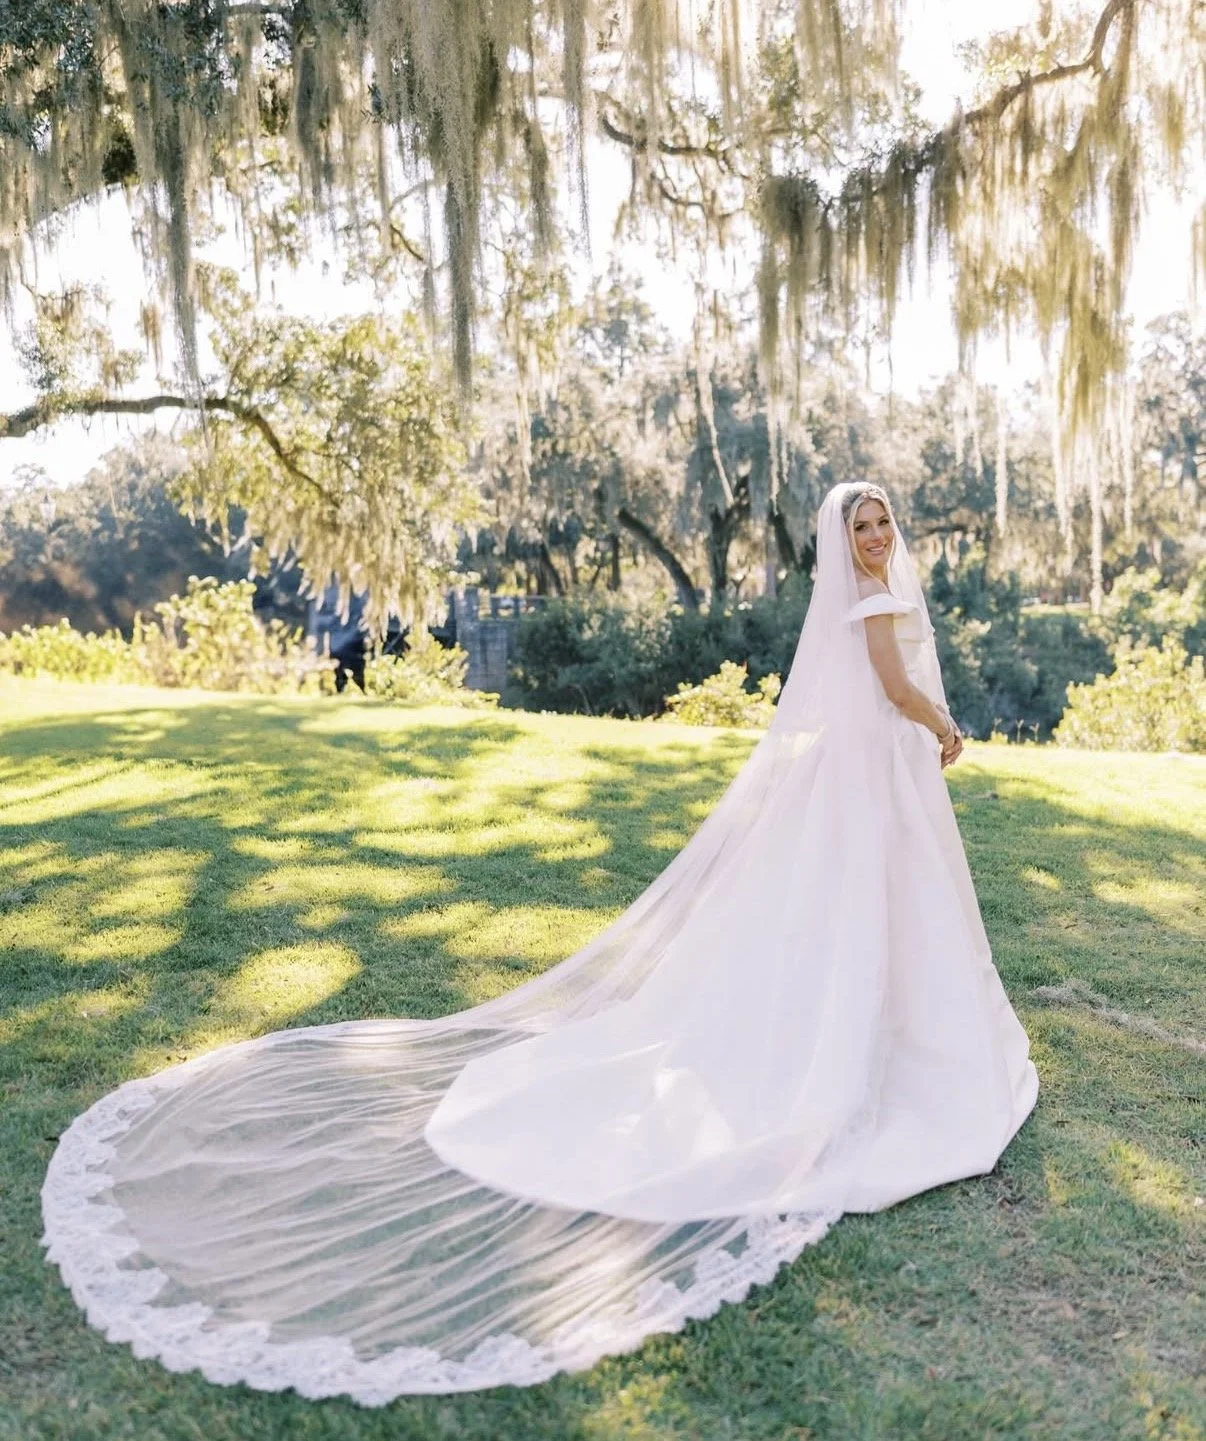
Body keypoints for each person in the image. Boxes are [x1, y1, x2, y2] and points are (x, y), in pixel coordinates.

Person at [42, 482, 1038, 1403]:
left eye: (883, 522)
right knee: (867, 905)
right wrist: (943, 723)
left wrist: (922, 728)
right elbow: (893, 685)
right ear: (841, 540)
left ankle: (900, 1025)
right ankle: (876, 1044)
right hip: (879, 773)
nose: (876, 536)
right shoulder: (867, 605)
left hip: (872, 776)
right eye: (862, 525)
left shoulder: (876, 586)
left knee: (882, 907)